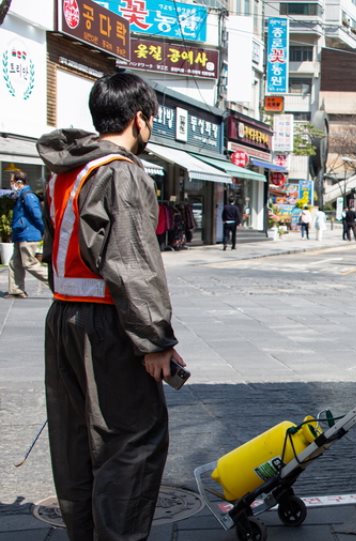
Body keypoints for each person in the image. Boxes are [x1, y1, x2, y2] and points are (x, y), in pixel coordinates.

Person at [36, 72, 185, 541]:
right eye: (151, 120)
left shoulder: (67, 171)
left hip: (64, 318)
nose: (150, 129)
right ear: (139, 119)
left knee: (75, 441)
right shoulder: (121, 172)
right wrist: (155, 340)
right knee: (131, 441)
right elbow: (132, 262)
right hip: (108, 326)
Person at [5, 170, 49, 298]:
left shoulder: (28, 196)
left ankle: (55, 283)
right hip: (20, 235)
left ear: (19, 183)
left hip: (28, 235)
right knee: (15, 263)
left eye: (12, 182)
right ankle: (16, 290)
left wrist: (42, 231)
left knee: (29, 263)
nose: (11, 185)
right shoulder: (20, 196)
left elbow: (37, 216)